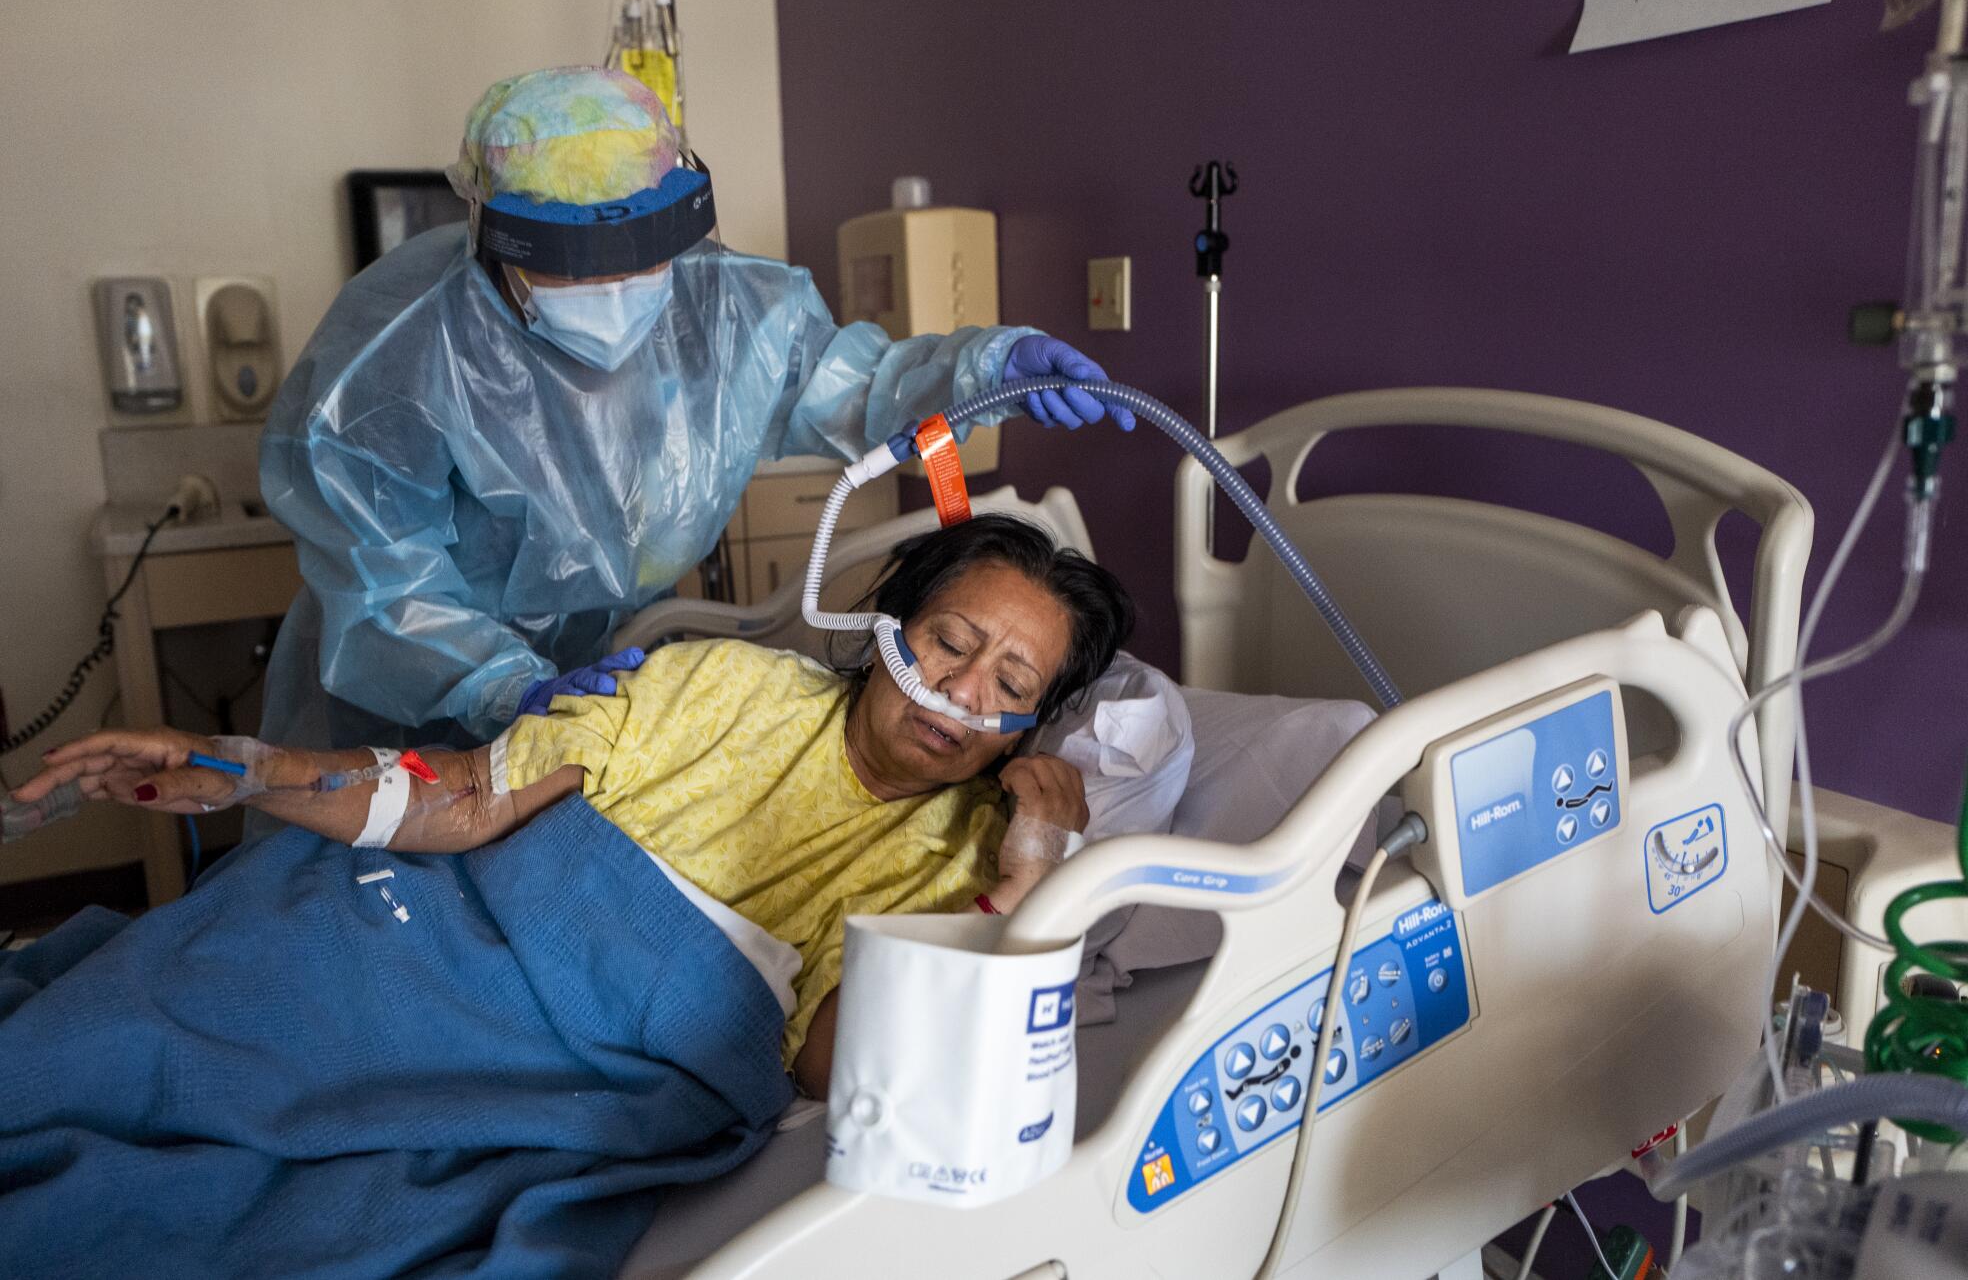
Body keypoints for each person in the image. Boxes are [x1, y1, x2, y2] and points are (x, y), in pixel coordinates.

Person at [15, 515, 1135, 1096]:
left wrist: (1034, 879)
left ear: (1031, 728)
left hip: (588, 1060)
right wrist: (240, 764)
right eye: (950, 642)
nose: (960, 693)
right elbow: (459, 800)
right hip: (433, 944)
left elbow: (834, 1069)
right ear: (891, 628)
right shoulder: (724, 685)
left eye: (1011, 686)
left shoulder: (964, 858)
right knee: (129, 1023)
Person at [258, 65, 1133, 764]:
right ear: (497, 236)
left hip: (599, 683)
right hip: (395, 706)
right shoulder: (394, 353)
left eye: (638, 254)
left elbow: (862, 391)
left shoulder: (729, 309)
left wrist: (981, 368)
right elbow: (386, 591)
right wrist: (502, 688)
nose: (614, 290)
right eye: (576, 262)